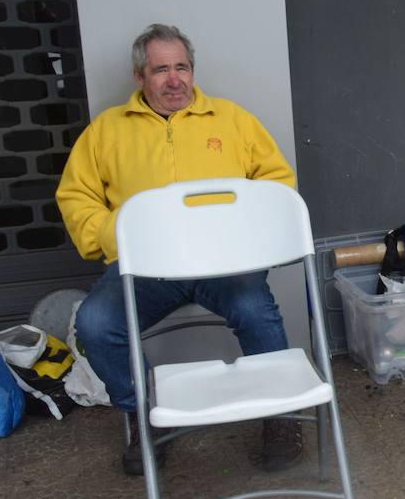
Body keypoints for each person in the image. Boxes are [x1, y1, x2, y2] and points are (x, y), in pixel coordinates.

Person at [56, 24, 302, 476]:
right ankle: (143, 413)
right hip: (145, 269)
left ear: (193, 70)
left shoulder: (232, 119)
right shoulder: (107, 130)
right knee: (94, 323)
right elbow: (76, 198)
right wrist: (117, 238)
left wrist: (248, 236)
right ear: (139, 77)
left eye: (182, 67)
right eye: (161, 69)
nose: (174, 80)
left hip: (224, 263)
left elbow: (277, 183)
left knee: (254, 308)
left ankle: (282, 415)